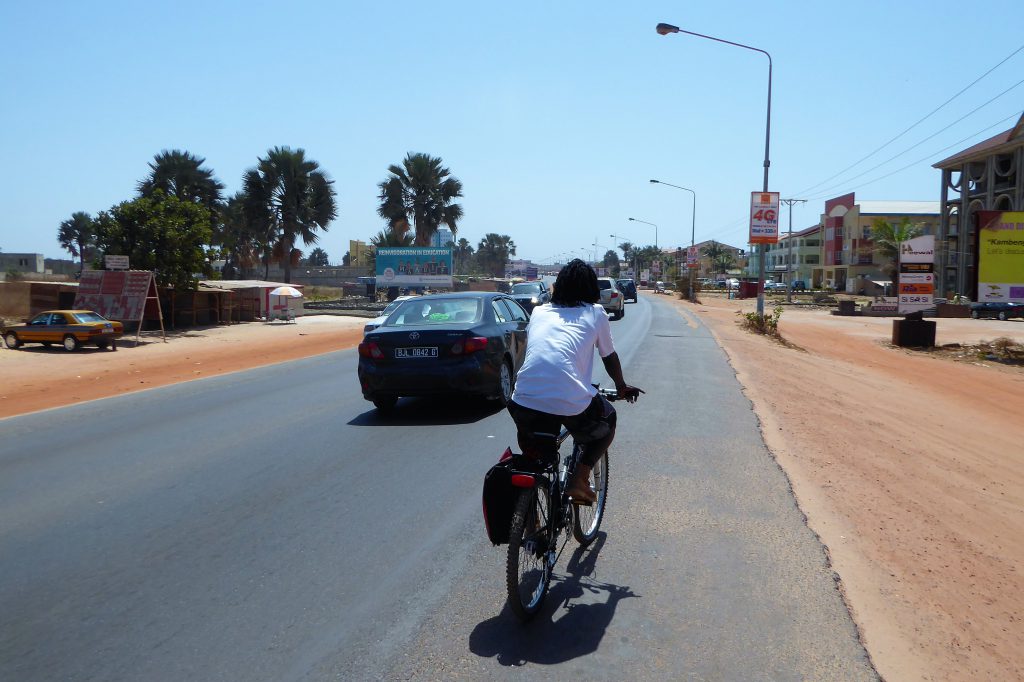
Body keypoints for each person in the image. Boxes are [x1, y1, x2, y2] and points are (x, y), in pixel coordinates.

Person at [508, 259, 643, 505]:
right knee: (608, 420)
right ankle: (579, 479)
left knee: (538, 457)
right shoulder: (596, 313)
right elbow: (609, 356)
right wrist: (622, 387)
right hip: (571, 400)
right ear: (591, 287)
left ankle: (530, 521)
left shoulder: (538, 312)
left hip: (522, 400)